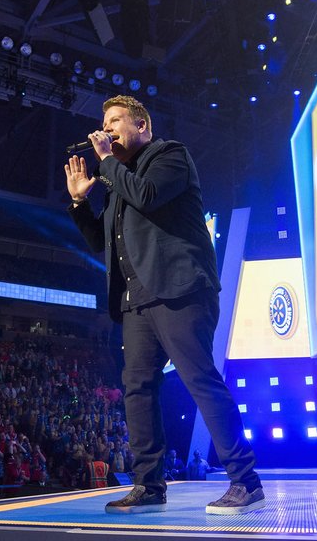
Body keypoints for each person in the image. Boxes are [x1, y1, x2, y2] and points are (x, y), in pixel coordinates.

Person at [65, 95, 264, 515]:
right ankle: (149, 484)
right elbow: (103, 241)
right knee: (138, 389)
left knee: (199, 380)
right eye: (105, 122)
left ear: (143, 127)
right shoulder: (118, 181)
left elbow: (149, 195)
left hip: (179, 291)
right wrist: (82, 203)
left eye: (116, 120)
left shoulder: (169, 156)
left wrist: (106, 163)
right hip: (136, 300)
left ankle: (245, 480)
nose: (108, 128)